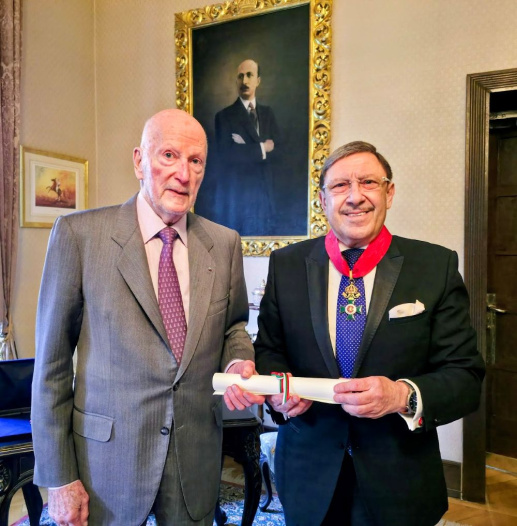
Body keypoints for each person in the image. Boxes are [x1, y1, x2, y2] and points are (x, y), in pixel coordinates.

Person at [31, 109, 265, 526]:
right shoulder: (78, 236)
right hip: (108, 464)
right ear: (139, 161)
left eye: (195, 161)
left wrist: (236, 361)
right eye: (169, 155)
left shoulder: (224, 243)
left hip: (194, 457)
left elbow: (233, 326)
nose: (183, 174)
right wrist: (59, 476)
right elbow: (51, 366)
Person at [254, 141, 485, 526]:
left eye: (368, 182)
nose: (355, 196)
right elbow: (268, 350)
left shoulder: (435, 266)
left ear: (389, 193)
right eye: (340, 185)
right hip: (308, 478)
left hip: (400, 481)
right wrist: (280, 390)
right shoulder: (286, 265)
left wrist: (401, 395)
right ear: (323, 200)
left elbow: (466, 376)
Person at [213, 59, 281, 236]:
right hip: (239, 201)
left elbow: (280, 152)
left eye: (249, 75)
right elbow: (227, 155)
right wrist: (262, 148)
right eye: (240, 76)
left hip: (266, 199)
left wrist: (245, 149)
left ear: (258, 81)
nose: (244, 81)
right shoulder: (224, 117)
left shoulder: (268, 114)